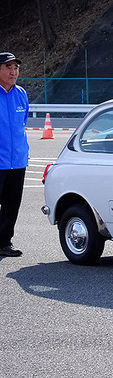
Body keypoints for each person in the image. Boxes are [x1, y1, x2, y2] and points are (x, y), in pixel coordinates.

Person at [0, 52, 29, 257]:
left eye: (16, 68)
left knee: (12, 204)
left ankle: (4, 243)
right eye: (8, 67)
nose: (13, 72)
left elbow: (23, 123)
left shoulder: (21, 94)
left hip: (17, 160)